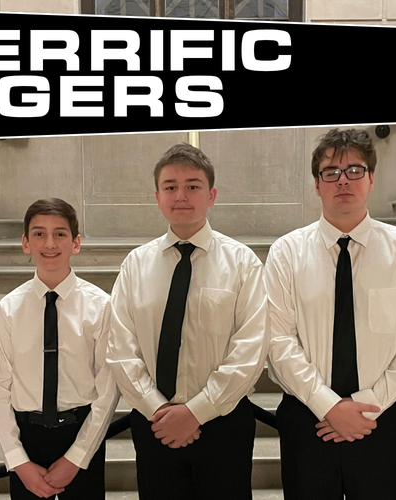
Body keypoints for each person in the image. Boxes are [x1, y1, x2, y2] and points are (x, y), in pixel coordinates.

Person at [264, 128, 396, 500]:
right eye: (331, 172)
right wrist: (328, 405)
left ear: (372, 179)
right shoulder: (286, 253)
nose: (343, 180)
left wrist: (367, 406)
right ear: (317, 184)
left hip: (383, 418)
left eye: (355, 170)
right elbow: (278, 340)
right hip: (307, 417)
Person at [106, 143, 267, 499]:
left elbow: (251, 350)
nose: (181, 195)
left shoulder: (243, 263)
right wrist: (159, 410)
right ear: (157, 196)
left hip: (223, 421)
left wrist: (196, 412)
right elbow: (120, 349)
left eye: (193, 186)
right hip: (154, 423)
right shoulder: (135, 265)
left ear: (211, 195)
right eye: (170, 186)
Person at [0, 198, 119, 500]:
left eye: (60, 233)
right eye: (39, 234)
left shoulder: (100, 306)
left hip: (81, 430)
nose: (49, 243)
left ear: (76, 242)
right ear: (25, 243)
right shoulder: (8, 309)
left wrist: (78, 457)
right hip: (27, 435)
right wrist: (18, 461)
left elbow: (108, 386)